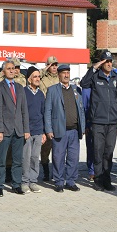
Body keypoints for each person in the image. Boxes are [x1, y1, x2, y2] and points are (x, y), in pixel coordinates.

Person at [80, 50, 117, 191]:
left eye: (111, 62)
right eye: (106, 61)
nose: (109, 64)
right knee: (98, 151)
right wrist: (94, 67)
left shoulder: (116, 78)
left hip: (112, 122)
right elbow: (83, 83)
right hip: (98, 121)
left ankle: (107, 179)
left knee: (109, 152)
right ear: (102, 63)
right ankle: (98, 179)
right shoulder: (95, 77)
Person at [45, 64, 86, 192]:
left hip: (74, 130)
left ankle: (71, 181)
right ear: (59, 75)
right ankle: (58, 181)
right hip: (59, 130)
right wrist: (49, 129)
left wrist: (82, 127)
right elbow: (47, 111)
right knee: (58, 157)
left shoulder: (76, 89)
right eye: (63, 73)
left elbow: (81, 109)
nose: (66, 75)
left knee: (73, 157)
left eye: (68, 72)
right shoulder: (52, 90)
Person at [0, 60, 30, 196]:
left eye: (13, 68)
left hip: (19, 129)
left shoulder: (20, 87)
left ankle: (16, 184)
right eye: (8, 69)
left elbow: (24, 110)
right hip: (5, 129)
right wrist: (0, 130)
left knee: (17, 160)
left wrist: (26, 129)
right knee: (1, 159)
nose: (11, 71)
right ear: (3, 71)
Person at [22, 66, 46, 193]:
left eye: (39, 77)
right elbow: (21, 112)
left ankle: (33, 181)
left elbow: (43, 113)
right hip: (27, 131)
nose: (38, 79)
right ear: (29, 79)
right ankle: (25, 181)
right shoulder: (24, 92)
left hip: (38, 130)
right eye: (35, 77)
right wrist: (25, 129)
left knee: (35, 157)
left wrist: (43, 132)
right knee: (26, 157)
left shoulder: (41, 94)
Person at [39, 56, 60, 180]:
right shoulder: (42, 79)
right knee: (45, 148)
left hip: (57, 116)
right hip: (46, 115)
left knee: (57, 147)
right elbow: (32, 76)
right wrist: (44, 69)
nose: (54, 67)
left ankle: (57, 172)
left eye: (55, 65)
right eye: (51, 65)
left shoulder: (59, 78)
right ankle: (46, 173)